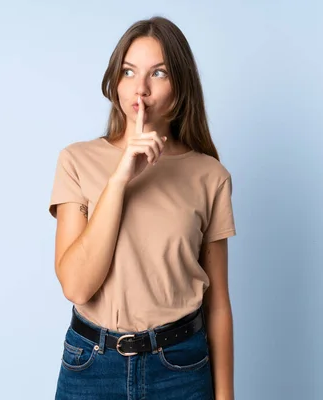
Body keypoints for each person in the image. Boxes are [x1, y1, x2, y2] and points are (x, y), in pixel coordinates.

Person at [48, 16, 236, 400]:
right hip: (91, 367)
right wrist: (120, 178)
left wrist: (226, 395)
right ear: (115, 80)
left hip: (180, 368)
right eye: (130, 71)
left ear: (181, 86)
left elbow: (217, 304)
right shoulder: (76, 161)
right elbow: (77, 285)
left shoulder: (209, 176)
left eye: (159, 73)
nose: (141, 88)